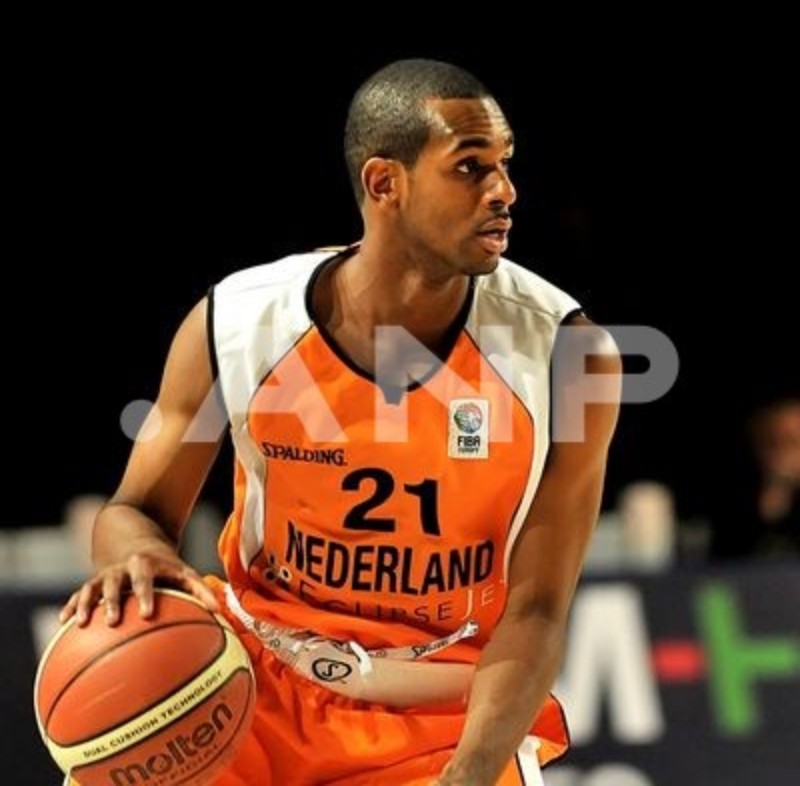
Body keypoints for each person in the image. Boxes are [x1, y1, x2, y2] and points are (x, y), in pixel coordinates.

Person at [60, 59, 621, 785]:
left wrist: (471, 774)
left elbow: (539, 608)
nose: (504, 191)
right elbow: (132, 512)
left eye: (505, 164)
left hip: (442, 711)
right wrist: (138, 555)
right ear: (385, 183)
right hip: (251, 680)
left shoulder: (566, 355)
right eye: (470, 166)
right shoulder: (239, 324)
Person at [709, 396, 800, 560]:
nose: (782, 454)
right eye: (772, 443)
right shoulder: (738, 493)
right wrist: (775, 498)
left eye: (792, 442)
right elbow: (724, 559)